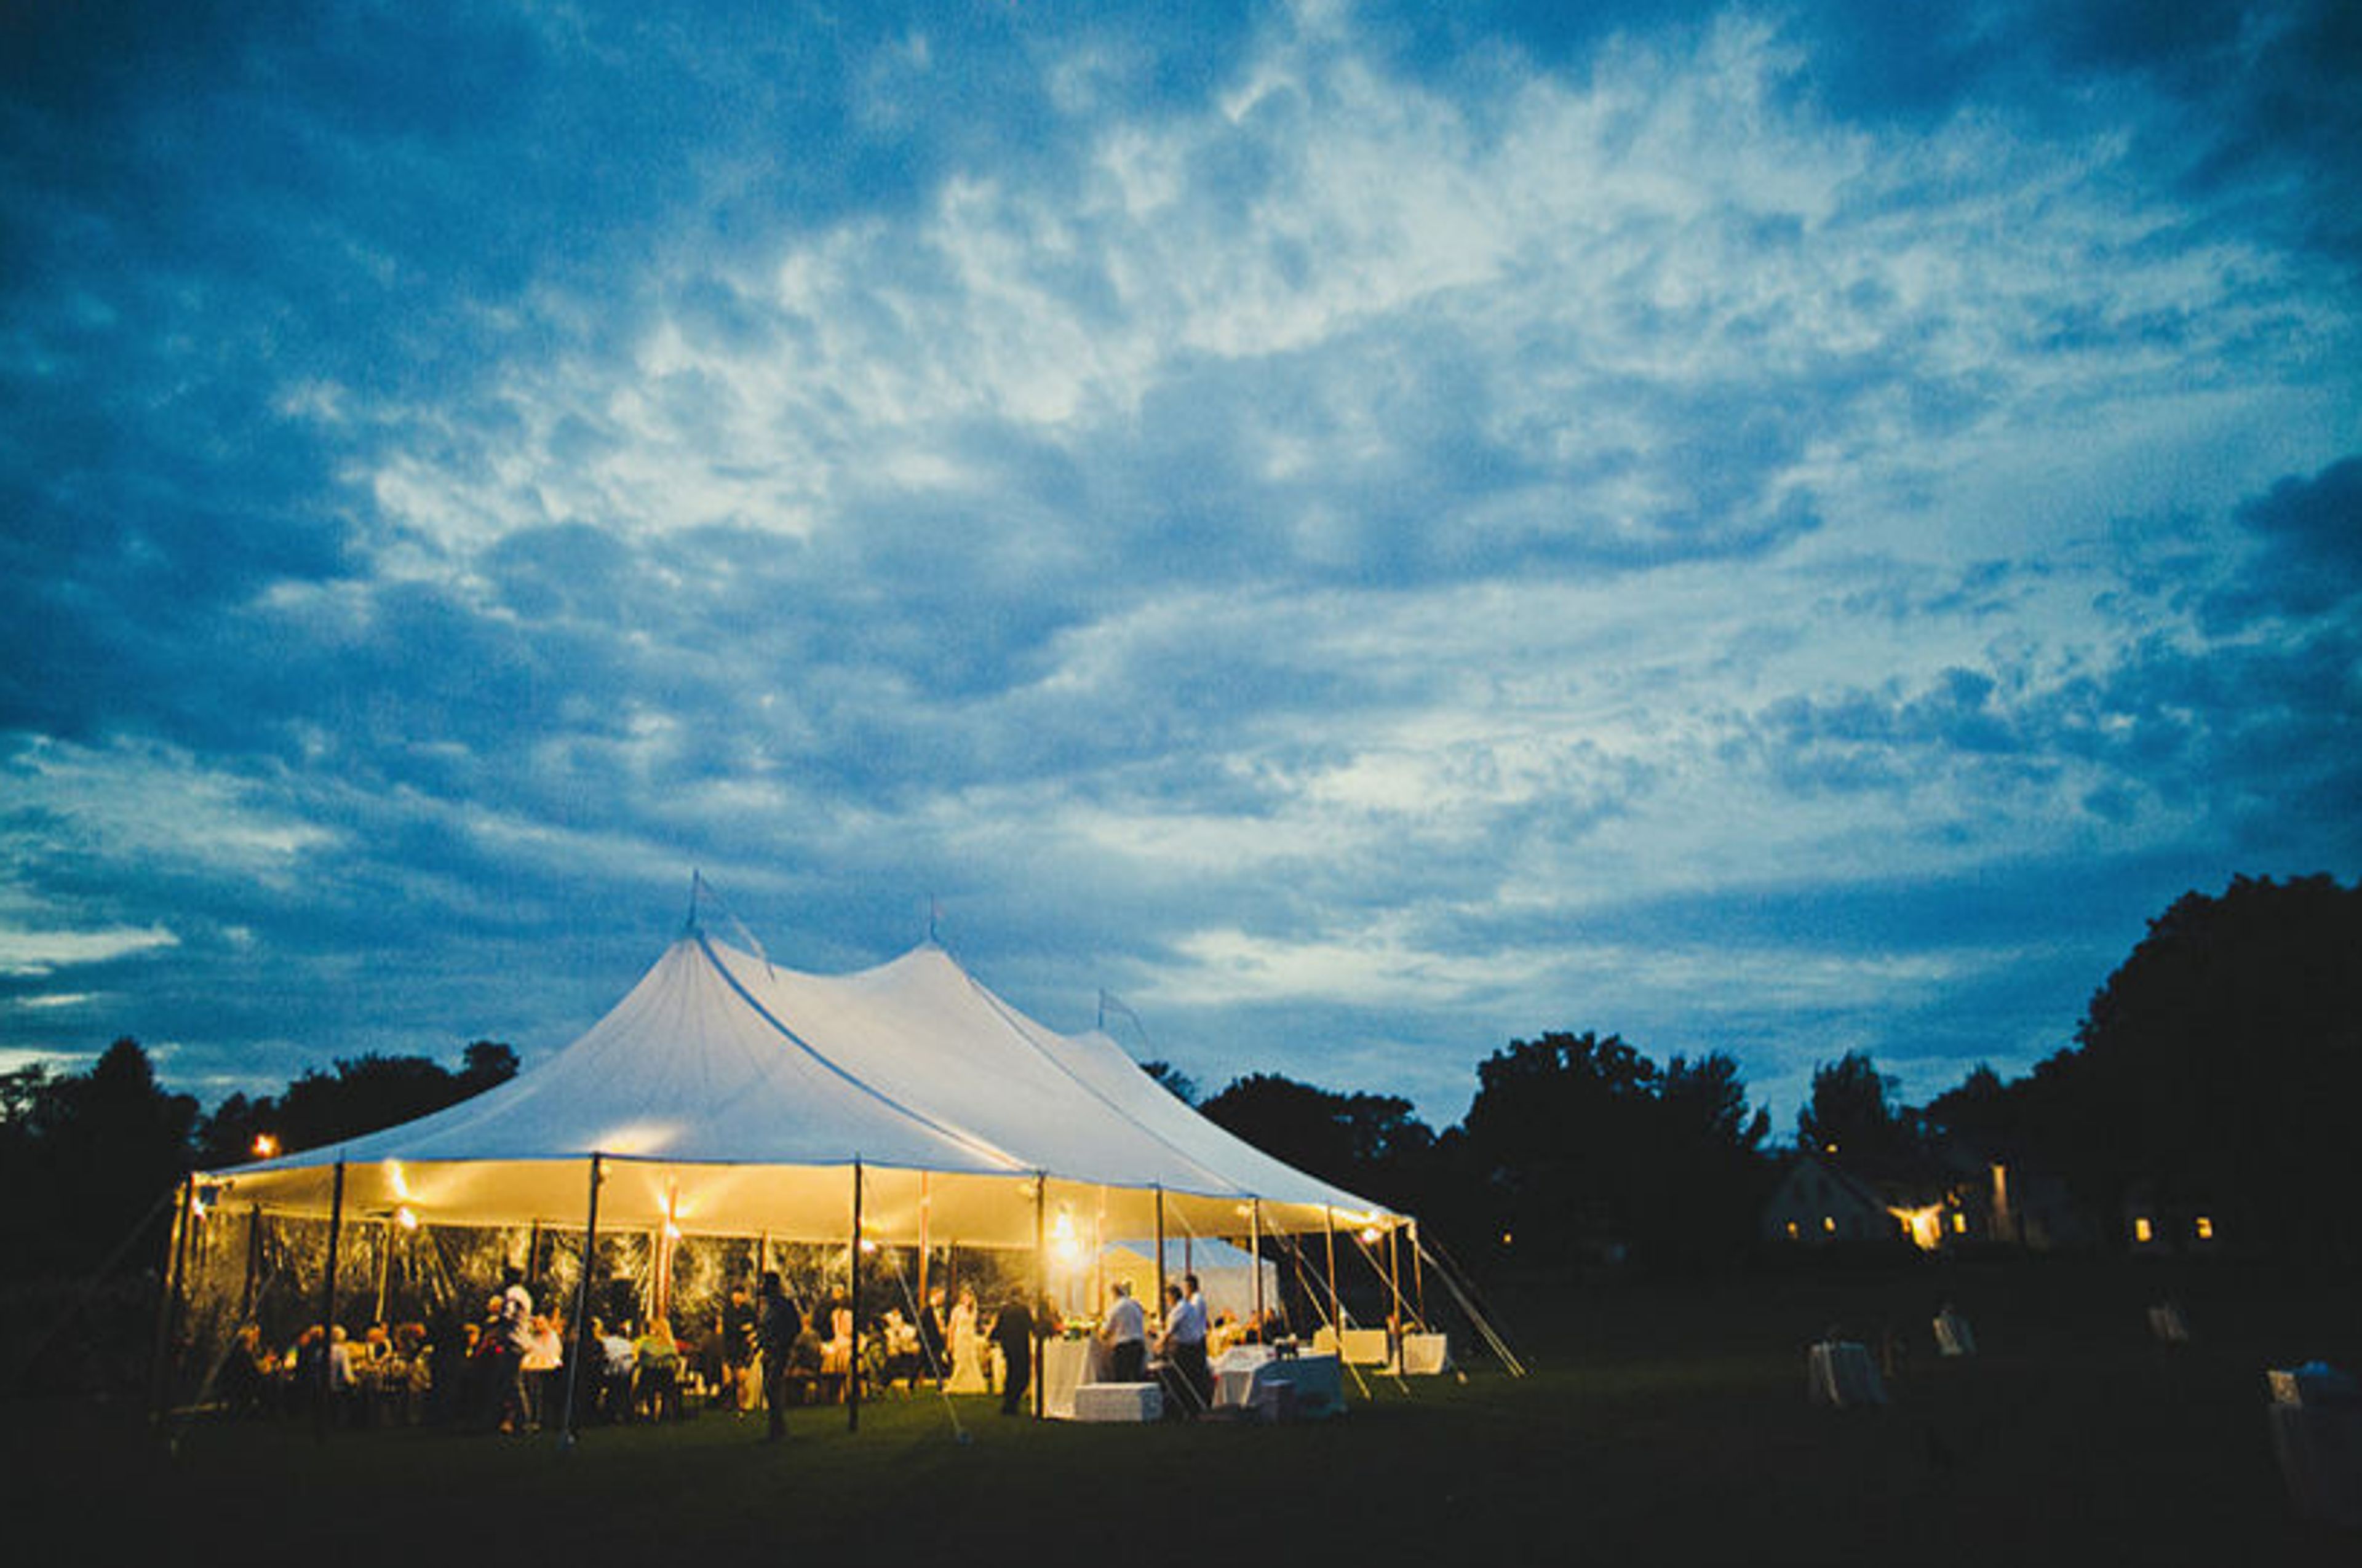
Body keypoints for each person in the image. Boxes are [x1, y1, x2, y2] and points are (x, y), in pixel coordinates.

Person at [758, 1272, 802, 1442]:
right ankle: (775, 1428)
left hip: (780, 1350)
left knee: (772, 1387)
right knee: (770, 1389)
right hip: (769, 1350)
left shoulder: (783, 1305)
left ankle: (779, 1429)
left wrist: (783, 1342)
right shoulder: (768, 1306)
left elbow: (794, 1327)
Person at [1158, 1280, 1210, 1419]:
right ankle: (1193, 1408)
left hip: (1185, 1350)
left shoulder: (1180, 1309)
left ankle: (1186, 1409)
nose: (1167, 1301)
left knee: (1182, 1381)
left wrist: (1159, 1345)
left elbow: (1170, 1330)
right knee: (1193, 1380)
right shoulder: (1189, 1306)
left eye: (1167, 1298)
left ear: (1173, 1297)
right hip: (1195, 1346)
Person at [990, 1294, 1034, 1416]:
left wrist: (994, 1338)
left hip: (1008, 1346)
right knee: (1021, 1375)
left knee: (1011, 1373)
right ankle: (1013, 1402)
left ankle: (1009, 1403)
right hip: (1020, 1346)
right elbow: (1031, 1326)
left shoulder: (1004, 1310)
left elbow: (998, 1327)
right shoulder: (1024, 1310)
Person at [1100, 1279, 1147, 1383]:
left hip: (1124, 1348)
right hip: (1139, 1345)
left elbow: (1105, 1332)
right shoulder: (1136, 1305)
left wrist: (1101, 1332)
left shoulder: (1115, 1308)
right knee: (1137, 1379)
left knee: (1122, 1381)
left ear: (1114, 1293)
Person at [722, 1284, 759, 1414]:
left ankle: (741, 1405)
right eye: (735, 1294)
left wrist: (751, 1333)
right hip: (730, 1348)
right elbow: (731, 1328)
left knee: (741, 1379)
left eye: (740, 1294)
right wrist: (743, 1329)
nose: (737, 1297)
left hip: (743, 1348)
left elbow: (755, 1325)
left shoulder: (748, 1310)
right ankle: (729, 1403)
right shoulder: (727, 1311)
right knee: (728, 1379)